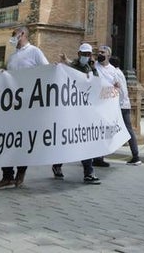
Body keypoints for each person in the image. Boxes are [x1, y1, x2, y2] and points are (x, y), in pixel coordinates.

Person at [0, 26, 49, 189]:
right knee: (6, 139)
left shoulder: (34, 52)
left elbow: (46, 71)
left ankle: (21, 172)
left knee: (23, 140)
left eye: (14, 33)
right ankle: (7, 175)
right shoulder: (12, 56)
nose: (12, 36)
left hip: (28, 106)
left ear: (22, 34)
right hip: (11, 106)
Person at [50, 43, 101, 183]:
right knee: (67, 140)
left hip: (85, 111)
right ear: (79, 54)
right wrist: (60, 66)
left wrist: (94, 68)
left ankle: (88, 172)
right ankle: (57, 165)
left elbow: (96, 83)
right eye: (84, 54)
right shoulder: (72, 66)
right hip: (71, 110)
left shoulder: (91, 67)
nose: (86, 56)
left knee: (85, 140)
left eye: (88, 54)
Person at [95, 46, 141, 165]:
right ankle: (99, 157)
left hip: (117, 105)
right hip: (105, 105)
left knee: (120, 129)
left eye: (102, 52)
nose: (99, 54)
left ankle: (135, 155)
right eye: (99, 52)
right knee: (103, 129)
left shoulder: (114, 71)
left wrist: (115, 95)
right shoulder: (95, 67)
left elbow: (119, 90)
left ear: (108, 56)